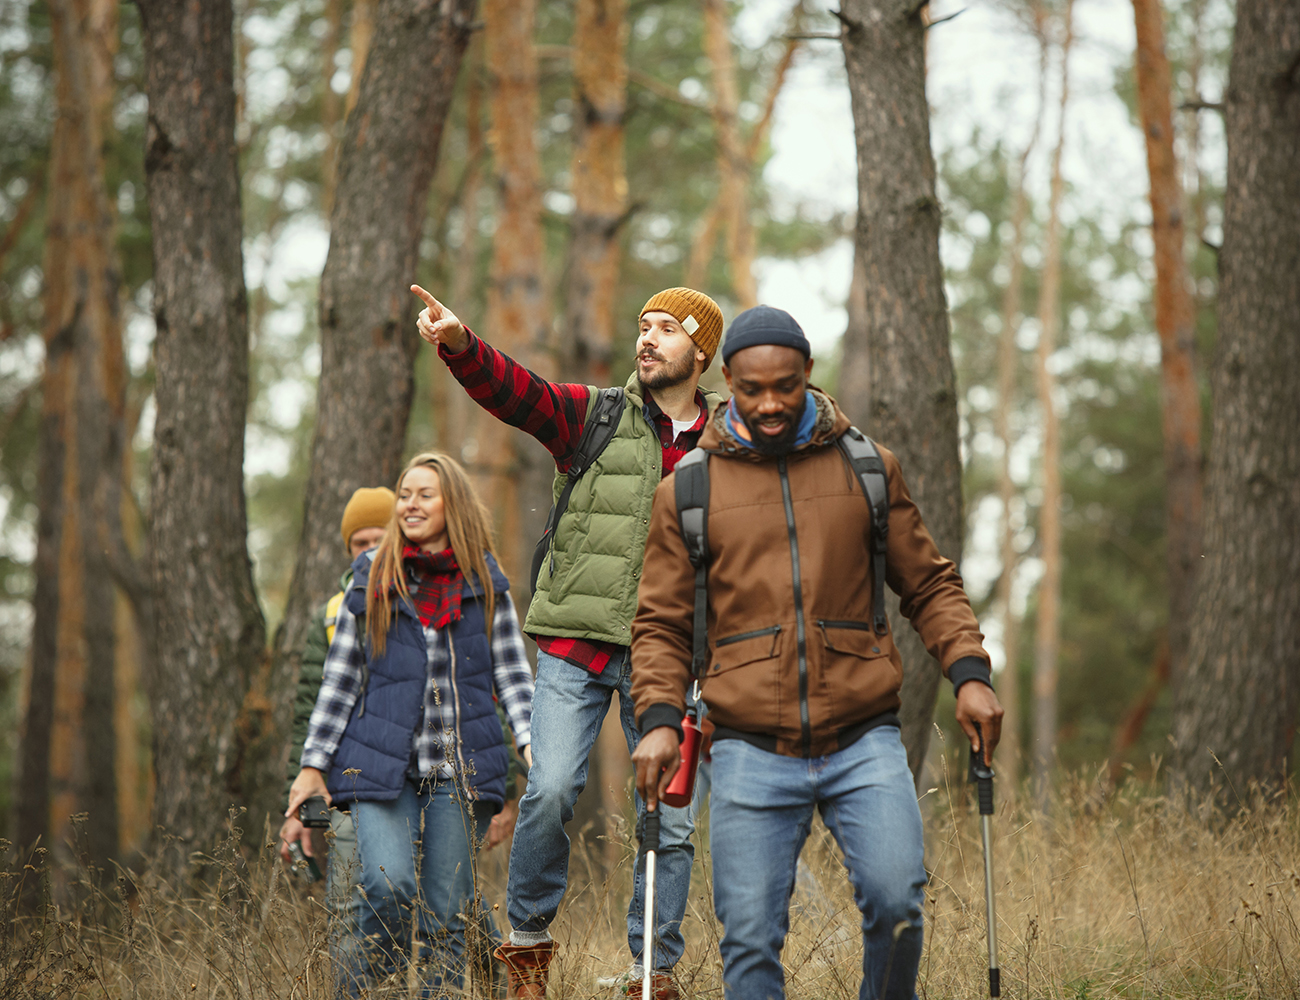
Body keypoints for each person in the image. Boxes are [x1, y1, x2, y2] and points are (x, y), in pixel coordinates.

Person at [630, 305, 1005, 1000]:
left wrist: (969, 673)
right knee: (748, 941)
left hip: (863, 738)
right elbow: (660, 625)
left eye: (785, 386)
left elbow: (928, 583)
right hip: (746, 746)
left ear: (807, 375)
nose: (770, 403)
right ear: (728, 382)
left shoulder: (867, 467)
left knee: (897, 909)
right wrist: (657, 719)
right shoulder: (688, 489)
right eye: (752, 389)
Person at [411, 282, 725, 999]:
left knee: (670, 821)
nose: (646, 338)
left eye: (666, 328)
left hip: (675, 655)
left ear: (700, 352)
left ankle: (654, 971)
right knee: (551, 788)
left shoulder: (726, 440)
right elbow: (515, 393)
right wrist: (461, 345)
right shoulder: (596, 415)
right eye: (641, 325)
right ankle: (525, 947)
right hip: (576, 642)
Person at [286, 452, 535, 996]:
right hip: (379, 766)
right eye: (405, 494)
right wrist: (311, 767)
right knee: (387, 884)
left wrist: (532, 746)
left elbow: (513, 674)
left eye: (425, 494)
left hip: (458, 770)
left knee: (448, 914)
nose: (411, 504)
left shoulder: (485, 583)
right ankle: (380, 990)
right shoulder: (373, 578)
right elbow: (339, 681)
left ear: (454, 504)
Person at [279, 487, 393, 987]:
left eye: (378, 536)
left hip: (419, 779)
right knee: (346, 903)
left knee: (444, 901)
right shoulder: (330, 614)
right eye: (358, 541)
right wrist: (300, 799)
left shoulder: (430, 596)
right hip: (346, 781)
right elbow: (310, 706)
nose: (367, 548)